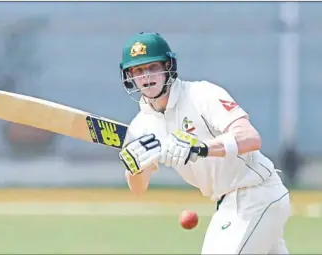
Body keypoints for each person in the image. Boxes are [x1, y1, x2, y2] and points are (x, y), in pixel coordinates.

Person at [118, 32, 291, 254]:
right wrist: (135, 167)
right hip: (229, 203)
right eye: (138, 70)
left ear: (168, 66)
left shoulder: (201, 94)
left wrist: (199, 148)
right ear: (129, 76)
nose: (146, 76)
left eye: (153, 67)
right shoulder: (140, 126)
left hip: (255, 193)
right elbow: (139, 189)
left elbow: (250, 137)